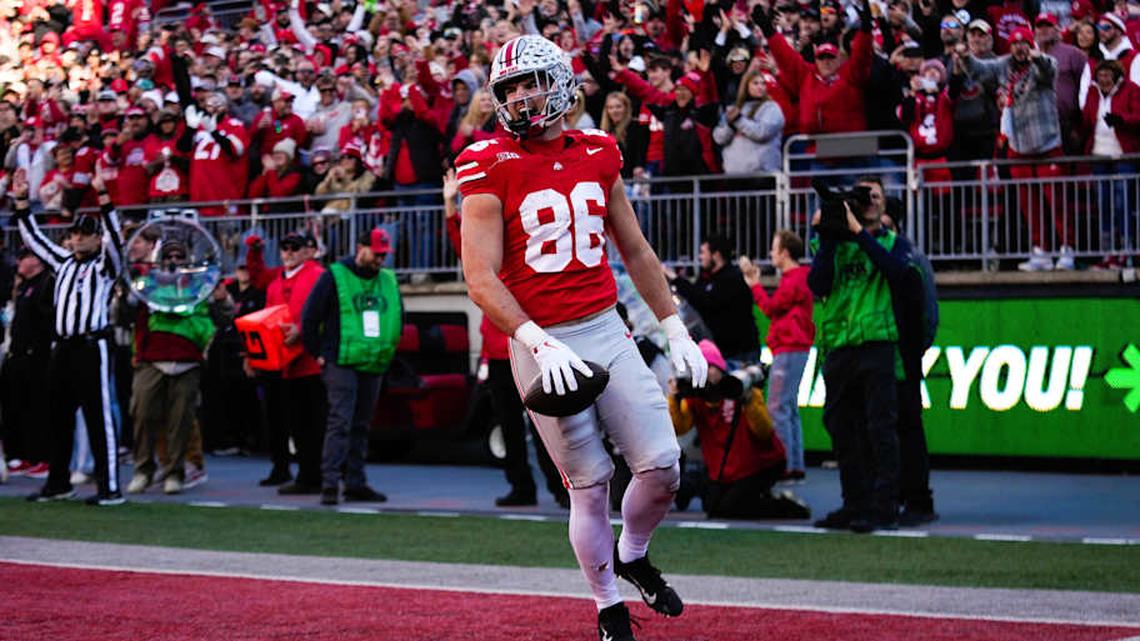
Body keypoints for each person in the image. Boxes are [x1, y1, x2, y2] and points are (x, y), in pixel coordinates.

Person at [457, 35, 708, 641]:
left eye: (531, 82)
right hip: (540, 338)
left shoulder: (599, 149)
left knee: (664, 465)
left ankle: (633, 553)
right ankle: (606, 604)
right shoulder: (485, 159)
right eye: (510, 88)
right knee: (589, 484)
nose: (520, 97)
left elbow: (636, 248)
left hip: (603, 323)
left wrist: (672, 324)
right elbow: (479, 275)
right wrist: (536, 341)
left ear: (562, 82)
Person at [442, 168, 569, 509]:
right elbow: (463, 245)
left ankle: (560, 487)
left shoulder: (524, 256)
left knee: (545, 427)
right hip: (501, 352)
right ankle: (524, 487)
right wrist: (450, 205)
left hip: (525, 348)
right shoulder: (488, 260)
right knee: (513, 425)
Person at [807, 176, 916, 534]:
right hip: (839, 344)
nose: (868, 201)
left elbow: (897, 273)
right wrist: (828, 234)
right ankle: (854, 502)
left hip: (877, 343)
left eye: (874, 196)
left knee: (880, 428)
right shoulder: (834, 245)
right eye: (862, 196)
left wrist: (858, 233)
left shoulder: (892, 243)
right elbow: (818, 284)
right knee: (841, 428)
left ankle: (885, 506)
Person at [13, 172, 126, 506]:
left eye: (84, 236)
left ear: (96, 240)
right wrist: (21, 201)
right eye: (74, 234)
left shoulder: (105, 266)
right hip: (62, 347)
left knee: (98, 416)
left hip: (94, 346)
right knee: (58, 416)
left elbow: (118, 242)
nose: (77, 240)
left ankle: (110, 488)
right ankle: (58, 482)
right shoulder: (62, 262)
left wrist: (104, 197)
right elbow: (34, 239)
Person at [958, 28, 1073, 272]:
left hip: (1046, 143)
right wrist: (965, 57)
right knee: (1028, 204)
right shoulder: (1003, 65)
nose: (1019, 48)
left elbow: (1047, 71)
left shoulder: (1044, 62)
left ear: (1030, 44)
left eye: (1023, 43)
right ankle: (1040, 251)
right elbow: (979, 71)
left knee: (1057, 201)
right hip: (1018, 146)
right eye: (1014, 44)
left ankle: (1067, 249)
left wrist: (1036, 57)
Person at [126, 239, 234, 495]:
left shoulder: (201, 285)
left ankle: (175, 472)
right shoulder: (147, 283)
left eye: (179, 256)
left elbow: (223, 319)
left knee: (180, 420)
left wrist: (222, 301)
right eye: (169, 256)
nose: (174, 260)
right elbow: (129, 317)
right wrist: (126, 293)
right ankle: (143, 470)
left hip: (187, 359)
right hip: (152, 358)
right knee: (142, 414)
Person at [301, 228, 400, 506]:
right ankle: (330, 483)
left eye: (383, 255)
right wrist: (320, 354)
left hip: (372, 361)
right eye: (376, 254)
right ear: (361, 248)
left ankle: (355, 482)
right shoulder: (334, 276)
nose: (380, 260)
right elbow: (309, 319)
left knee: (360, 425)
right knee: (341, 422)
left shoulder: (387, 280)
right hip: (341, 361)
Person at [668, 340, 809, 520]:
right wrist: (674, 398)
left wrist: (749, 399)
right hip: (726, 468)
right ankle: (761, 498)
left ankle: (784, 506)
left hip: (760, 464)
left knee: (730, 508)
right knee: (712, 507)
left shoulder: (739, 388)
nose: (708, 373)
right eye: (703, 367)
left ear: (720, 367)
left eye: (711, 366)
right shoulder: (696, 399)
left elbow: (764, 431)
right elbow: (680, 428)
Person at [246, 232, 327, 493]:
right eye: (285, 248)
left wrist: (301, 331)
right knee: (287, 420)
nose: (289, 252)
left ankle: (312, 473)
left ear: (307, 251)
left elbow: (324, 311)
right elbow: (264, 307)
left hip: (308, 362)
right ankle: (291, 469)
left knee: (311, 422)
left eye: (295, 248)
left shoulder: (317, 275)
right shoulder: (276, 282)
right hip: (281, 362)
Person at [739, 230, 814, 482]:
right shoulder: (798, 278)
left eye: (774, 248)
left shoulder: (793, 280)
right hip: (794, 346)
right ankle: (794, 465)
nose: (771, 253)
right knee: (788, 408)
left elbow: (771, 308)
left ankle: (783, 465)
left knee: (779, 407)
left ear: (784, 252)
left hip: (790, 346)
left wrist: (754, 285)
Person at [665, 234, 761, 366]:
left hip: (741, 354)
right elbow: (695, 296)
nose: (700, 257)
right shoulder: (706, 278)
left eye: (703, 253)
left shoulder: (733, 278)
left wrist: (677, 280)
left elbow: (705, 301)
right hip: (720, 354)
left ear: (716, 255)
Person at [0, 249, 55, 479]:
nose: (19, 262)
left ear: (37, 261)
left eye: (24, 257)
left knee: (36, 409)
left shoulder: (45, 284)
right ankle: (21, 455)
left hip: (35, 357)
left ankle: (41, 458)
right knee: (16, 408)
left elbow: (45, 322)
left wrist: (37, 348)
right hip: (17, 355)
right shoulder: (23, 287)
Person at [1081, 59, 1140, 269]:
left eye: (1107, 75)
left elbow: (1138, 115)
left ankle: (1127, 252)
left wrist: (1121, 120)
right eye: (1101, 75)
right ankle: (1107, 253)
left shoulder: (1131, 90)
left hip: (1122, 155)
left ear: (1116, 75)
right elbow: (1087, 120)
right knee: (1103, 205)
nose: (1103, 79)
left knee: (1122, 204)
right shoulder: (1092, 93)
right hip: (1099, 154)